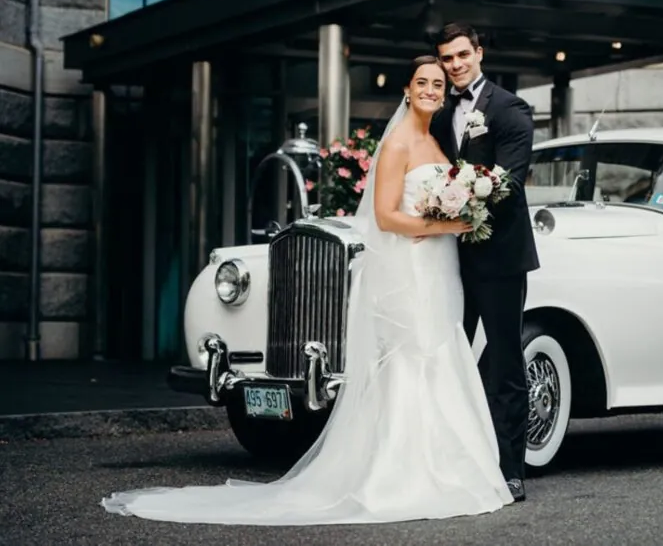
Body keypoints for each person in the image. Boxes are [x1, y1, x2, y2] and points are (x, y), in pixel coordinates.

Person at [99, 55, 515, 524]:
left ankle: (454, 468)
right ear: (407, 89)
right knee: (411, 359)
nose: (431, 91)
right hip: (413, 267)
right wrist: (446, 224)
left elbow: (441, 196)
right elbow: (384, 217)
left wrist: (457, 212)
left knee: (442, 351)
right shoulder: (398, 141)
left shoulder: (436, 141)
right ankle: (403, 475)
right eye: (423, 83)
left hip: (441, 268)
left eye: (438, 85)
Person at [430, 22, 541, 503]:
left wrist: (458, 202)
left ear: (478, 53)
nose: (454, 65)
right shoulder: (438, 114)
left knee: (504, 364)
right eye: (446, 58)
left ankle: (511, 469)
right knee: (447, 357)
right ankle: (451, 461)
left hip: (499, 258)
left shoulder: (509, 109)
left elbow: (508, 182)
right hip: (446, 260)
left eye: (461, 55)